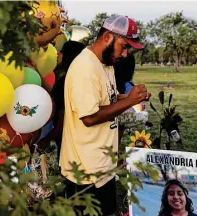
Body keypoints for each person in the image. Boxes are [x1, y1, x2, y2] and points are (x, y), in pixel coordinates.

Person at [60, 14, 150, 216]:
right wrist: (129, 101)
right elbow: (90, 117)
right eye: (124, 46)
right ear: (108, 37)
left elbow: (106, 99)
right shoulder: (85, 67)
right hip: (85, 172)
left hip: (102, 166)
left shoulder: (106, 64)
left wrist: (128, 97)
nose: (125, 54)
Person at [37, 41, 86, 159]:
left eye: (62, 52)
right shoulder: (77, 78)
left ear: (70, 57)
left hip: (67, 143)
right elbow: (54, 95)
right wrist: (38, 74)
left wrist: (46, 140)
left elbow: (64, 118)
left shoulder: (68, 81)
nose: (58, 55)